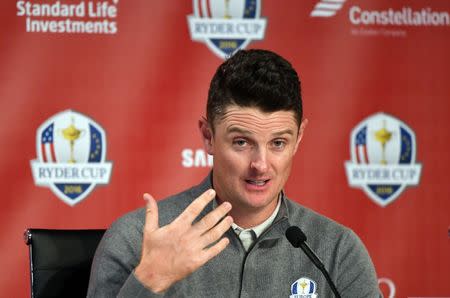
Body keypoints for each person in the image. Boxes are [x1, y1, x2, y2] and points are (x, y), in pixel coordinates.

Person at [87, 49, 381, 297]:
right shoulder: (135, 239)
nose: (261, 165)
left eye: (278, 143)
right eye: (241, 142)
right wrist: (148, 282)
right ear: (208, 137)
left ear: (299, 138)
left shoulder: (337, 250)